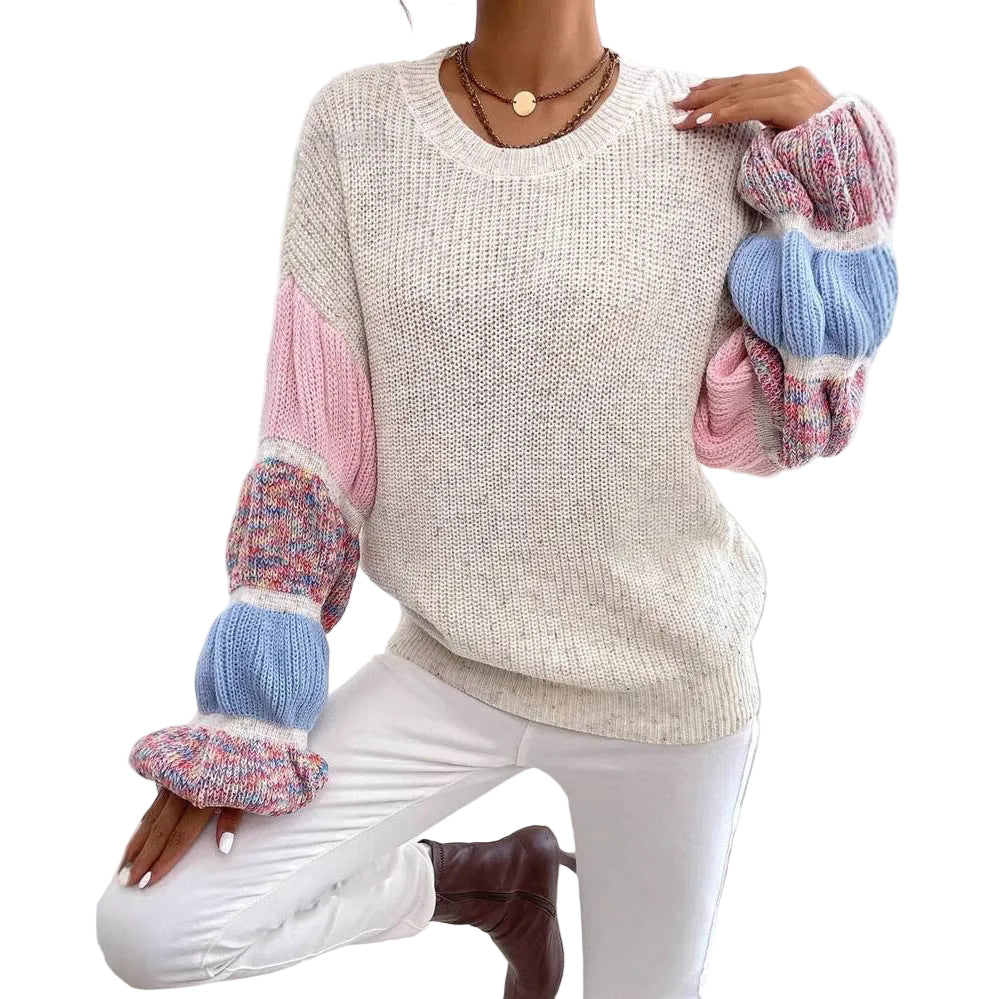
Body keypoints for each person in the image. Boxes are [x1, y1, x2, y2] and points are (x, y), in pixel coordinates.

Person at [95, 2, 899, 996]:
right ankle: (477, 883)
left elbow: (784, 435)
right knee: (154, 931)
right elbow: (311, 447)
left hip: (664, 692)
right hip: (450, 666)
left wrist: (839, 186)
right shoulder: (357, 125)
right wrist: (247, 719)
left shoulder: (708, 138)